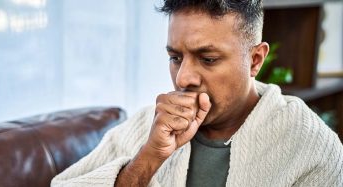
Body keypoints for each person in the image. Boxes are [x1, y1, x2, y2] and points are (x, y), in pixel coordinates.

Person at [51, 0, 343, 186]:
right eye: (175, 57)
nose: (183, 78)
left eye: (208, 59)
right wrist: (148, 159)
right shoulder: (147, 126)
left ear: (255, 60)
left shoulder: (309, 145)